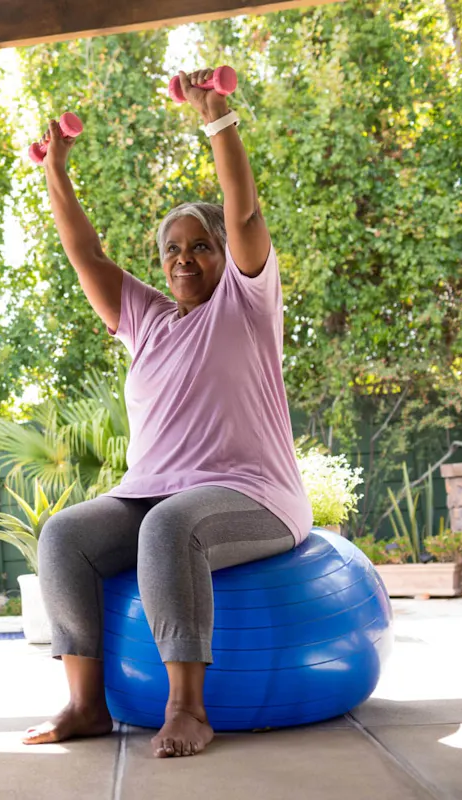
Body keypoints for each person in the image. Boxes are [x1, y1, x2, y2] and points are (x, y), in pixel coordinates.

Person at [22, 69, 313, 758]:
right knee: (63, 536)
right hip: (149, 490)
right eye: (172, 251)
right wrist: (55, 171)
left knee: (170, 527)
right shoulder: (146, 320)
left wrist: (218, 120)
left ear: (224, 256)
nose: (185, 259)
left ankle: (188, 708)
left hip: (252, 495)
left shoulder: (246, 303)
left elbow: (243, 214)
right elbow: (84, 252)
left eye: (200, 247)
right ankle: (86, 705)